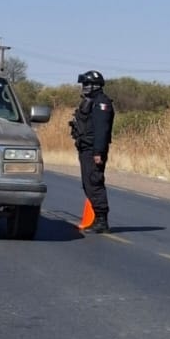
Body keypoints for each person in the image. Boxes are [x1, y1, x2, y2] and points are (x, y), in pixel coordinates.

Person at [69, 69, 115, 232]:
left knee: (94, 183)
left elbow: (102, 130)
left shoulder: (101, 103)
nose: (84, 86)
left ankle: (102, 220)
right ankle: (97, 219)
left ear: (95, 85)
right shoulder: (90, 101)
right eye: (84, 83)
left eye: (87, 83)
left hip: (93, 150)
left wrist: (98, 152)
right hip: (85, 148)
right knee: (88, 184)